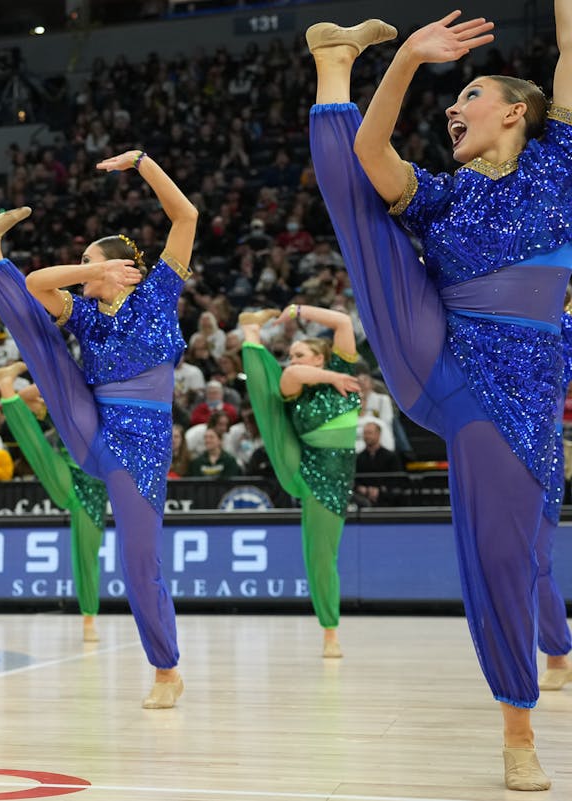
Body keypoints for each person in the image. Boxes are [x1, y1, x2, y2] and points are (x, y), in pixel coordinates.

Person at [306, 10, 571, 788]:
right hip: (440, 355)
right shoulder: (443, 194)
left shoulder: (561, 163)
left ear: (518, 110)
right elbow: (370, 153)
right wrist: (407, 63)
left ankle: (330, 61)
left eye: (474, 92)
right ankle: (519, 733)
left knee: (514, 550)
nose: (455, 106)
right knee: (362, 208)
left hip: (521, 392)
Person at [0, 147, 194, 709]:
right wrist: (93, 270)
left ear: (125, 267)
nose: (83, 268)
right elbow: (41, 283)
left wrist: (144, 162)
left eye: (93, 261)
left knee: (138, 561)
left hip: (141, 442)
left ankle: (167, 671)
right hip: (92, 420)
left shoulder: (159, 295)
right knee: (40, 337)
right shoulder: (88, 311)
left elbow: (185, 216)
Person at [239, 304, 360, 658]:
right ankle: (331, 633)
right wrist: (331, 379)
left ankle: (250, 331)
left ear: (321, 357)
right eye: (290, 354)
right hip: (302, 466)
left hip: (336, 481)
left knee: (323, 556)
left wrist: (299, 310)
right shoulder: (300, 383)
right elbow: (289, 380)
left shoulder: (343, 366)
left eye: (300, 354)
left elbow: (341, 321)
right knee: (268, 404)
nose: (293, 360)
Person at [0, 361, 109, 642]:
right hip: (68, 474)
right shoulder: (64, 409)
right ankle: (5, 383)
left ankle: (89, 619)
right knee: (39, 451)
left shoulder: (109, 411)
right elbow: (24, 400)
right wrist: (57, 382)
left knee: (87, 555)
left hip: (97, 489)